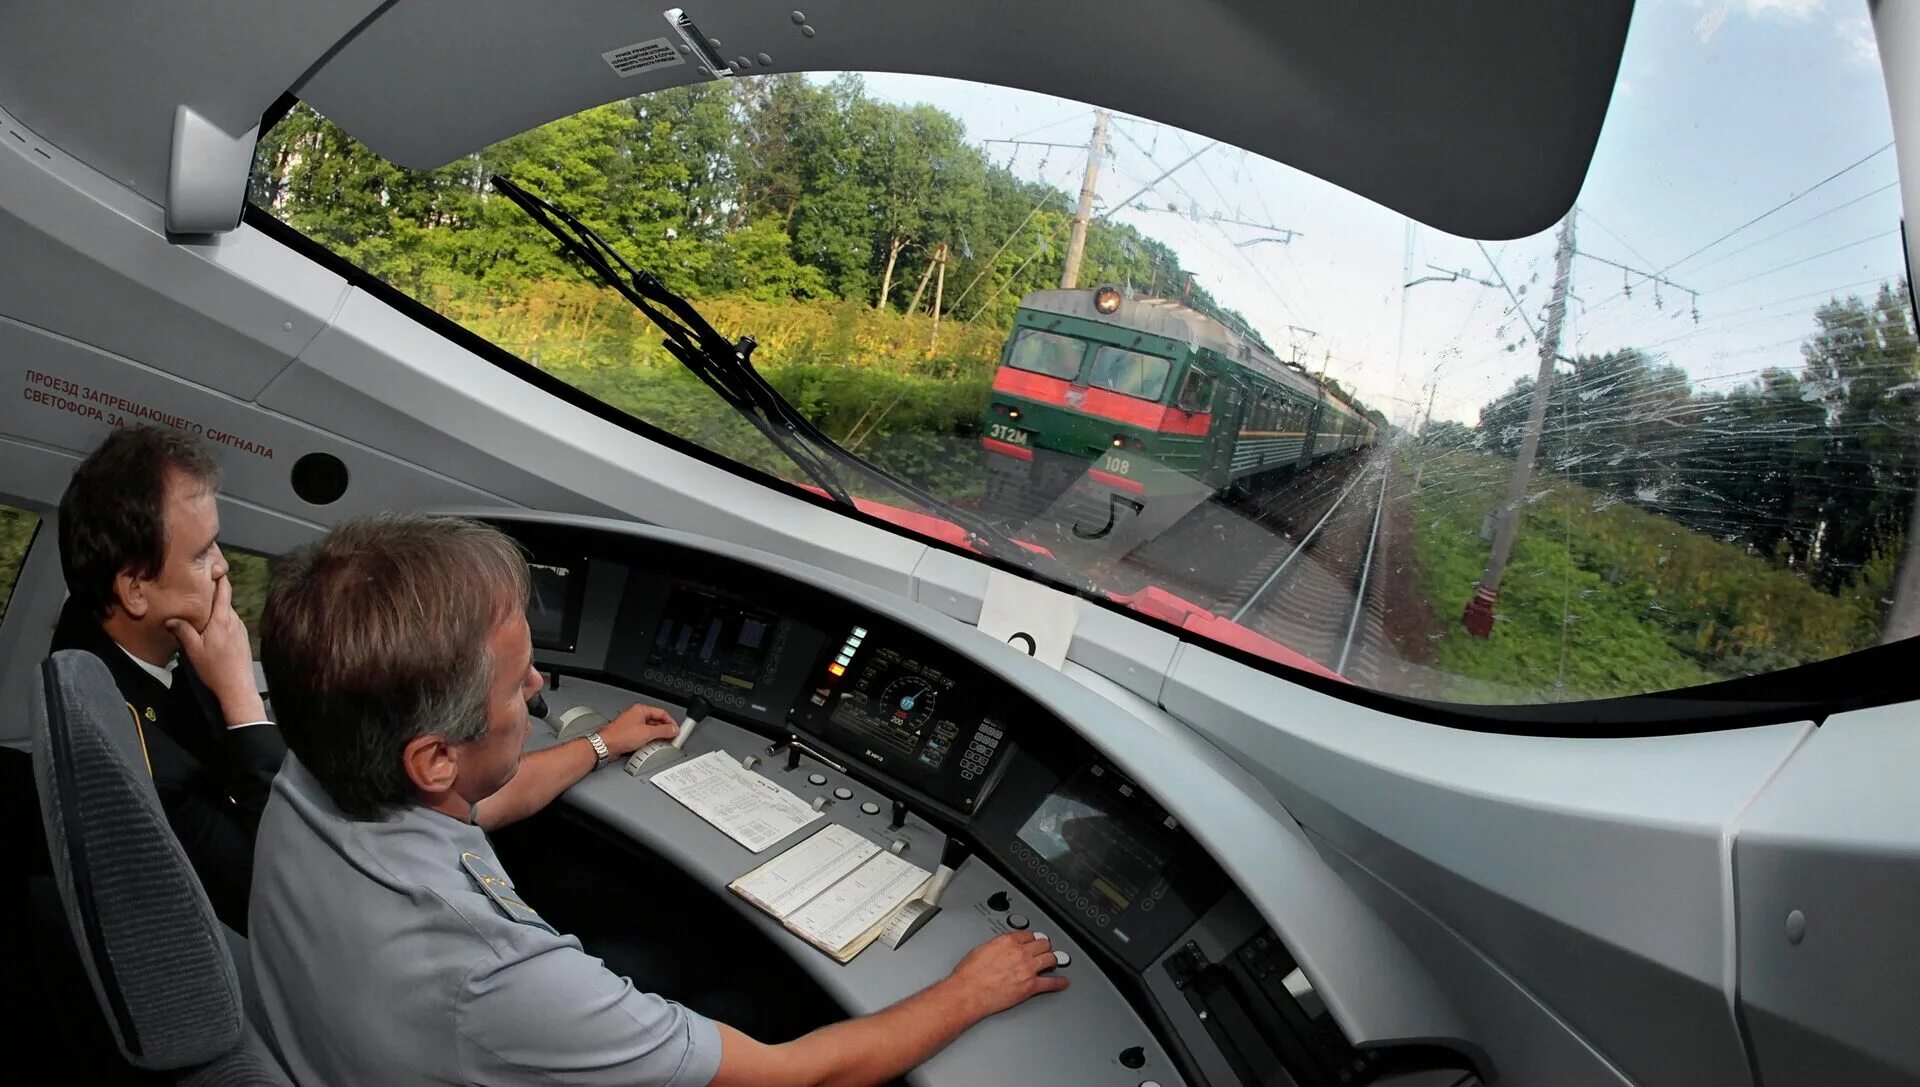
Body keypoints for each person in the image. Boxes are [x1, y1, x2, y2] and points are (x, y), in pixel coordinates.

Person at [250, 514, 1067, 1086]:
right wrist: (969, 991)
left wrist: (600, 744)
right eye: (516, 684)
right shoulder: (502, 976)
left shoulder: (315, 768)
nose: (538, 689)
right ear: (432, 756)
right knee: (763, 1016)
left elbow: (484, 803)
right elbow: (794, 1075)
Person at [51, 424, 283, 932]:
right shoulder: (149, 770)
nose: (223, 566)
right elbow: (275, 892)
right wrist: (240, 693)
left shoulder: (115, 625)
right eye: (201, 554)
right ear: (135, 590)